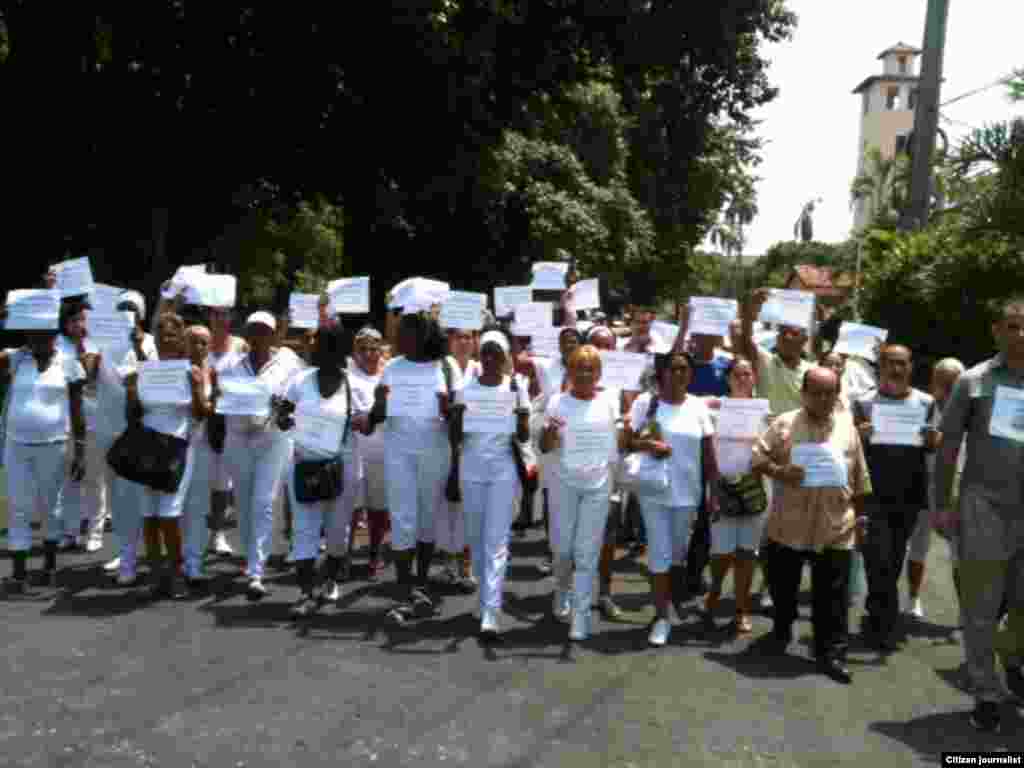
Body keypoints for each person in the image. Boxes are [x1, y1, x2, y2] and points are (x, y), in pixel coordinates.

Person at [933, 296, 1024, 733]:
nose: (1020, 334)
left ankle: (1012, 661)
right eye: (1012, 326)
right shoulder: (973, 382)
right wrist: (941, 507)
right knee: (981, 607)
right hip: (982, 507)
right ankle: (986, 693)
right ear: (997, 331)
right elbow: (948, 449)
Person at [753, 367, 871, 685]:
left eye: (829, 392)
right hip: (789, 524)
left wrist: (861, 517)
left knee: (833, 597)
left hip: (836, 526)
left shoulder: (848, 430)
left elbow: (860, 477)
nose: (822, 399)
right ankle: (781, 629)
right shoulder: (783, 424)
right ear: (803, 393)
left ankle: (831, 653)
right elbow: (757, 458)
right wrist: (780, 471)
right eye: (815, 392)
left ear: (837, 394)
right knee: (782, 586)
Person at [625, 350, 719, 647]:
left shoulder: (698, 407)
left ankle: (669, 603)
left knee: (677, 554)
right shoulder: (646, 402)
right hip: (653, 490)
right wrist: (649, 444)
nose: (681, 374)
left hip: (687, 494)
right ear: (662, 373)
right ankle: (662, 617)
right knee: (658, 552)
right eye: (675, 369)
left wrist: (713, 493)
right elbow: (625, 440)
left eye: (685, 369)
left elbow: (708, 454)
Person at [369, 310, 454, 625]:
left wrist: (448, 409)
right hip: (399, 452)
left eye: (405, 333)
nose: (398, 337)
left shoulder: (444, 367)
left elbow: (457, 418)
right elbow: (379, 414)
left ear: (422, 336)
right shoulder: (391, 367)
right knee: (402, 516)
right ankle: (404, 587)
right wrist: (379, 402)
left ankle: (422, 582)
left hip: (434, 451)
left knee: (427, 515)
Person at [120, 313, 213, 598]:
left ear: (180, 338)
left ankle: (176, 574)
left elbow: (201, 414)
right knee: (149, 514)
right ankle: (156, 576)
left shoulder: (191, 371)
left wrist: (198, 389)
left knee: (169, 514)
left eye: (172, 335)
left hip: (177, 448)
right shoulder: (144, 370)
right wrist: (132, 394)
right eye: (160, 335)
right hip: (147, 448)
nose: (165, 340)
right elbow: (132, 416)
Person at [852, 344, 938, 652]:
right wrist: (859, 435)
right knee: (878, 558)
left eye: (902, 363)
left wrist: (932, 441)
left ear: (911, 367)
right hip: (873, 494)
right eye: (890, 363)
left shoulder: (925, 402)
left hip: (909, 494)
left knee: (895, 558)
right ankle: (882, 621)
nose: (896, 369)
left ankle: (877, 614)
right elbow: (851, 448)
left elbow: (930, 446)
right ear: (880, 367)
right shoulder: (863, 403)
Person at [276, 323, 363, 617]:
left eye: (329, 346)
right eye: (319, 345)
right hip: (304, 465)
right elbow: (282, 412)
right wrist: (284, 419)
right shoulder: (300, 381)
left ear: (340, 352)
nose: (322, 351)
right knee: (305, 530)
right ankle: (304, 592)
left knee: (338, 531)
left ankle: (330, 580)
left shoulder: (355, 385)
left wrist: (366, 419)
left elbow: (368, 422)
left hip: (343, 468)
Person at [449, 328, 531, 636]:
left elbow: (522, 436)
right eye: (485, 352)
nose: (490, 358)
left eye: (496, 352)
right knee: (476, 537)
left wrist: (521, 416)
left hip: (502, 470)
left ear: (506, 356)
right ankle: (483, 598)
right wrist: (456, 416)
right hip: (471, 468)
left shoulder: (515, 385)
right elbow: (456, 438)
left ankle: (492, 610)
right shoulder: (465, 387)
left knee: (497, 540)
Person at [218, 312, 305, 600]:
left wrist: (283, 405)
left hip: (272, 439)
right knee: (243, 502)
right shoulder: (230, 363)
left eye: (264, 330)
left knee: (264, 502)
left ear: (273, 334)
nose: (259, 336)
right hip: (238, 438)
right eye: (253, 330)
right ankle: (248, 557)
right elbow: (221, 397)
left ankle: (257, 570)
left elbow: (300, 395)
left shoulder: (289, 362)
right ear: (247, 333)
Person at [541, 345, 624, 642]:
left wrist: (615, 486)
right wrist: (550, 433)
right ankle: (562, 587)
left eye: (590, 368)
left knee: (587, 554)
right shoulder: (556, 403)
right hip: (564, 483)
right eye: (579, 368)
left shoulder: (609, 404)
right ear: (570, 372)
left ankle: (580, 615)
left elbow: (616, 449)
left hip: (598, 486)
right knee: (562, 550)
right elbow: (544, 445)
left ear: (599, 374)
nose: (585, 374)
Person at [0, 326, 86, 590]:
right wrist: (9, 316)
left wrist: (80, 450)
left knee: (51, 507)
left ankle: (49, 567)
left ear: (54, 335)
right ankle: (19, 574)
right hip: (17, 445)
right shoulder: (15, 358)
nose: (38, 339)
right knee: (19, 506)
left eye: (44, 334)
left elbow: (77, 408)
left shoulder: (69, 363)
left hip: (54, 444)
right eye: (32, 333)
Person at [705, 356, 768, 634]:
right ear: (728, 379)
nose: (743, 379)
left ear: (754, 377)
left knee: (747, 551)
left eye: (748, 374)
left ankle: (741, 608)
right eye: (737, 375)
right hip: (722, 486)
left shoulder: (764, 411)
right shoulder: (714, 409)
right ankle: (716, 589)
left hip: (754, 486)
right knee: (721, 551)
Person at [98, 290, 158, 575]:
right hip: (108, 427)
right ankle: (124, 551)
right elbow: (88, 374)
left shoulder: (151, 343)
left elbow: (155, 377)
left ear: (141, 314)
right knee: (116, 498)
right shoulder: (102, 342)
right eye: (121, 307)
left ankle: (132, 557)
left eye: (131, 307)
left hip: (137, 430)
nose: (126, 311)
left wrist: (137, 347)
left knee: (133, 495)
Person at [906, 357, 965, 619]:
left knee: (959, 553)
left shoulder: (971, 411)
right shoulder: (920, 407)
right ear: (933, 381)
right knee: (918, 545)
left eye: (952, 383)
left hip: (955, 488)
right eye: (941, 381)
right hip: (922, 484)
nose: (945, 388)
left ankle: (966, 611)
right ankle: (913, 598)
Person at [54, 296, 104, 552]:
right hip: (62, 420)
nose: (79, 324)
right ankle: (69, 531)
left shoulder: (95, 345)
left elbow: (91, 376)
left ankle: (95, 531)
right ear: (65, 323)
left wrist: (83, 345)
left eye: (83, 320)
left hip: (92, 418)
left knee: (94, 477)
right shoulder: (56, 345)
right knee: (69, 478)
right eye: (74, 320)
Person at [436, 327, 481, 590]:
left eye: (469, 337)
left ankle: (466, 565)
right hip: (444, 441)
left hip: (472, 443)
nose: (464, 342)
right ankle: (447, 562)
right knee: (445, 503)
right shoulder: (442, 368)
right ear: (450, 340)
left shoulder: (480, 368)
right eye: (458, 337)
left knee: (468, 505)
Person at [347, 326, 389, 582]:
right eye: (363, 349)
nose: (369, 354)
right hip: (355, 451)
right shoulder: (347, 377)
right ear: (355, 351)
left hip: (382, 452)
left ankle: (375, 553)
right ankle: (345, 555)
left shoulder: (389, 377)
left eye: (374, 348)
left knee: (378, 509)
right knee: (351, 508)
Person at [205, 306, 248, 558]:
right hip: (201, 421)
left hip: (229, 423)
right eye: (215, 313)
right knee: (200, 483)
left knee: (222, 483)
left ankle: (217, 534)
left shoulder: (241, 345)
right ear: (209, 316)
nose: (219, 318)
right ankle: (194, 535)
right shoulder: (198, 341)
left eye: (224, 313)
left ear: (230, 317)